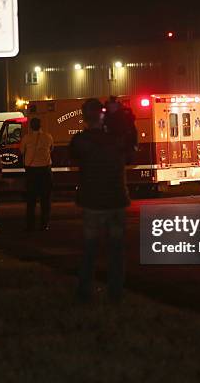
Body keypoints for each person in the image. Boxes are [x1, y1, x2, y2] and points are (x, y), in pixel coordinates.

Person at [70, 98, 131, 302]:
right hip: (116, 201)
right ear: (102, 115)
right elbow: (131, 147)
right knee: (116, 251)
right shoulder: (116, 139)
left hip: (92, 202)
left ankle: (84, 292)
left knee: (89, 250)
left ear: (85, 117)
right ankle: (115, 293)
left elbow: (74, 153)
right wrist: (120, 117)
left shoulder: (81, 141)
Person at [20, 117, 53, 231]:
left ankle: (30, 224)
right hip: (45, 170)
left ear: (30, 126)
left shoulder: (26, 138)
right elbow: (51, 148)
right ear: (40, 126)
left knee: (31, 200)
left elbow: (21, 151)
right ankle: (44, 224)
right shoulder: (48, 137)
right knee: (45, 199)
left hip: (31, 171)